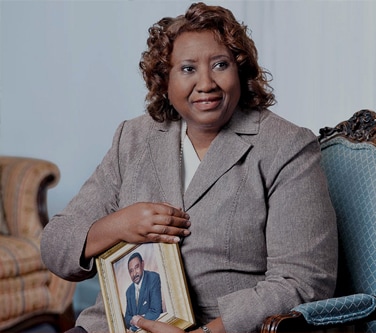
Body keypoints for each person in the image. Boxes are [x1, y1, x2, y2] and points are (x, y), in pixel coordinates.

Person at [40, 2, 338, 333]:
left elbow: (305, 280)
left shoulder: (287, 146)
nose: (206, 83)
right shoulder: (133, 138)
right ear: (164, 81)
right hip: (115, 326)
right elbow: (56, 245)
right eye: (187, 69)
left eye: (220, 64)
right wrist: (118, 225)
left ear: (240, 70)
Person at [124, 252, 162, 331]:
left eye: (137, 267)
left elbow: (155, 311)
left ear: (142, 264)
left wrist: (138, 322)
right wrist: (132, 320)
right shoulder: (129, 291)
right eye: (131, 271)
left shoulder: (153, 278)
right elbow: (127, 317)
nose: (134, 273)